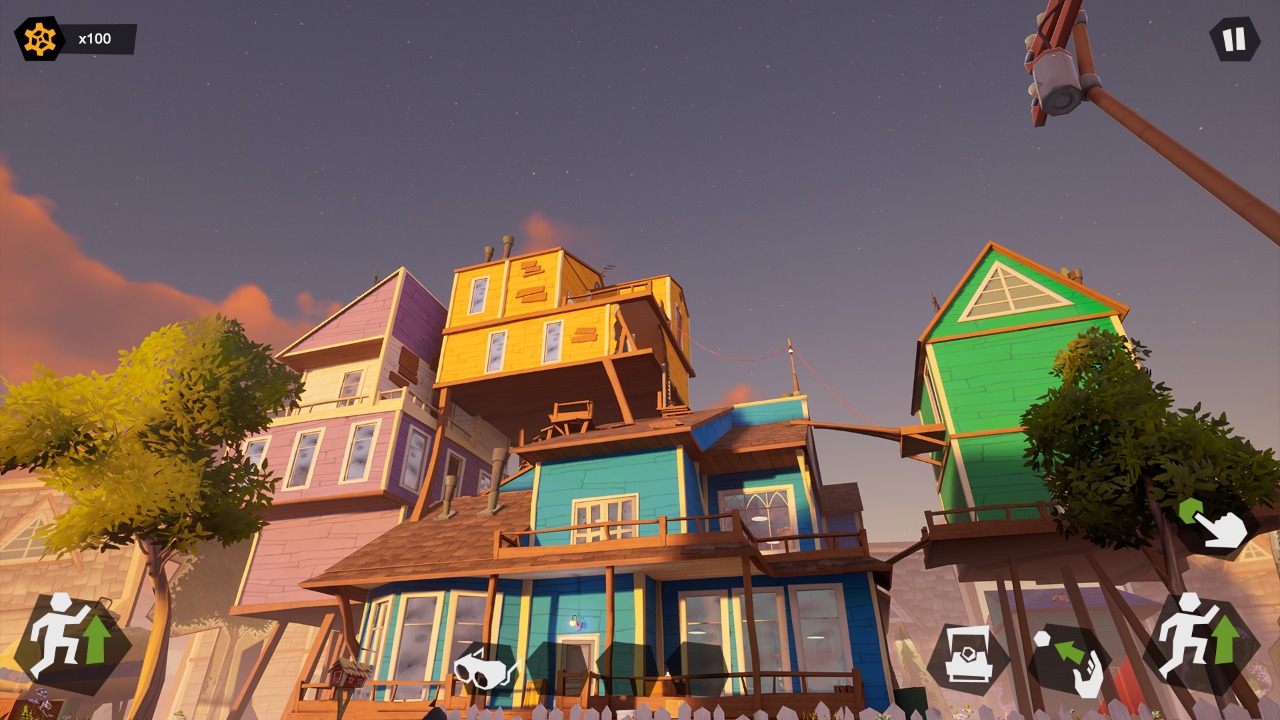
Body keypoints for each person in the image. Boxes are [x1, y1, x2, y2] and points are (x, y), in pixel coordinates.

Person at [28, 592, 91, 679]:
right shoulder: (53, 616)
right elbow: (77, 620)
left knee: (71, 643)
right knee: (49, 659)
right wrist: (86, 609)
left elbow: (36, 625)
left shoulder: (52, 616)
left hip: (55, 639)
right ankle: (34, 671)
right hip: (52, 640)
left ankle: (69, 659)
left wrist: (34, 639)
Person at [1158, 592, 1221, 678]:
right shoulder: (1183, 617)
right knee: (1177, 659)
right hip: (1181, 640)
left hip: (1184, 639)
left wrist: (1163, 637)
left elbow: (1165, 625)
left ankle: (1197, 659)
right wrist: (1215, 608)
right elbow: (1205, 619)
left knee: (1199, 644)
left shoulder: (1183, 616)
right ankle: (1164, 670)